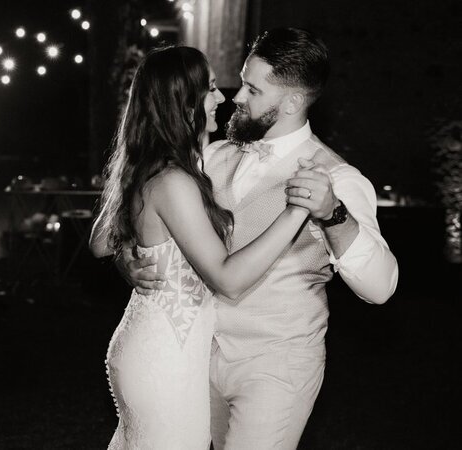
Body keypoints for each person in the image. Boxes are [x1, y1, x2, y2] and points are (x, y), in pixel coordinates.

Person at [124, 28, 399, 449]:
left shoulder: (339, 178)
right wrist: (132, 257)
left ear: (290, 102)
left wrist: (335, 215)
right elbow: (153, 213)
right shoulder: (214, 157)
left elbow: (381, 287)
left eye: (253, 89)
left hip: (277, 363)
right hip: (198, 355)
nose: (237, 97)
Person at [90, 46, 318, 450]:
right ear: (184, 101)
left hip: (157, 348)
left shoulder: (164, 167)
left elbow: (99, 242)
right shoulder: (174, 181)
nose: (221, 97)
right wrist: (297, 210)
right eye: (210, 88)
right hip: (165, 360)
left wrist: (132, 250)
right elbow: (227, 279)